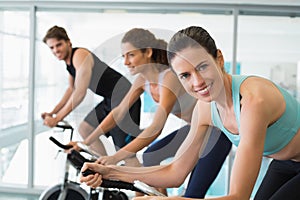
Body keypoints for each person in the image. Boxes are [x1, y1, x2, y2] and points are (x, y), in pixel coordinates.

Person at [79, 26, 300, 200]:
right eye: (185, 75)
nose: (197, 82)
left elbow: (238, 197)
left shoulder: (253, 101)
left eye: (202, 67)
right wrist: (111, 173)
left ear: (219, 59)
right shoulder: (205, 108)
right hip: (283, 162)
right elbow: (176, 172)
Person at [74, 27, 231, 197]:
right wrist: (87, 141)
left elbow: (156, 126)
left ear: (147, 52)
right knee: (150, 156)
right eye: (124, 56)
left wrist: (115, 157)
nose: (126, 62)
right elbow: (118, 112)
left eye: (131, 55)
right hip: (196, 129)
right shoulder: (142, 80)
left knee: (192, 195)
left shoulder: (169, 78)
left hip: (216, 133)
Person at [41, 25, 142, 167]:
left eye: (59, 45)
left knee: (126, 154)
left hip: (124, 97)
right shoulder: (69, 63)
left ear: (68, 42)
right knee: (85, 128)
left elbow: (79, 93)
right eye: (52, 48)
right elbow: (71, 89)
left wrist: (57, 119)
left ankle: (148, 187)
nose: (56, 50)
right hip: (109, 99)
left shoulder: (80, 56)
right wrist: (53, 113)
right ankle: (106, 169)